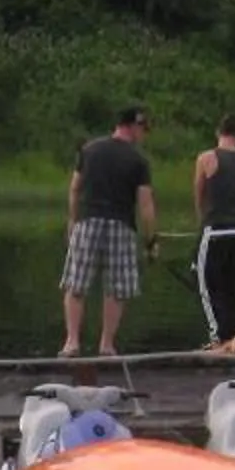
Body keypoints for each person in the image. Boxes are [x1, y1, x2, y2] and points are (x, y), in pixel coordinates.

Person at [58, 104, 157, 357]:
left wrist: (72, 220)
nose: (143, 135)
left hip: (87, 221)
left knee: (76, 283)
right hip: (121, 226)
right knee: (117, 287)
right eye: (142, 129)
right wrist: (150, 240)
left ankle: (72, 342)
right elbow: (145, 204)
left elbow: (75, 188)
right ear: (133, 127)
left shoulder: (89, 149)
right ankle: (106, 345)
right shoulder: (138, 160)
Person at [190, 116, 235, 343]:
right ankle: (232, 330)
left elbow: (199, 194)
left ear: (218, 131)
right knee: (230, 285)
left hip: (215, 227)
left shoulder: (207, 158)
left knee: (206, 283)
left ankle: (216, 336)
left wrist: (202, 221)